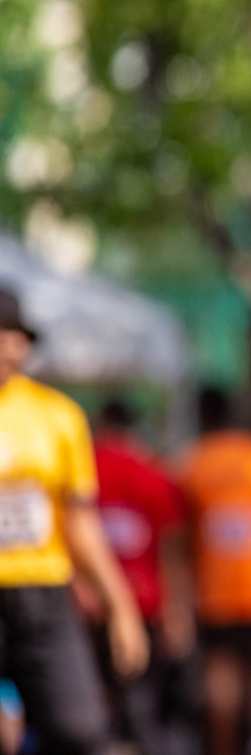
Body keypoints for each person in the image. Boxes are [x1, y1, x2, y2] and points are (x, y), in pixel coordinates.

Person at [0, 288, 149, 755]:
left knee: (79, 730)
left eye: (14, 336)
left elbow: (81, 525)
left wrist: (120, 607)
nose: (7, 347)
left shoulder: (58, 416)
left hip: (43, 597)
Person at [181, 386, 251, 755]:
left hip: (214, 590)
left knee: (221, 675)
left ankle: (222, 748)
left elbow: (181, 537)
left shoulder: (193, 462)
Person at [88, 398, 197, 755]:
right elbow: (172, 549)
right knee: (141, 702)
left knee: (97, 701)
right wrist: (177, 611)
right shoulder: (154, 474)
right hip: (146, 604)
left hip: (89, 606)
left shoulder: (86, 468)